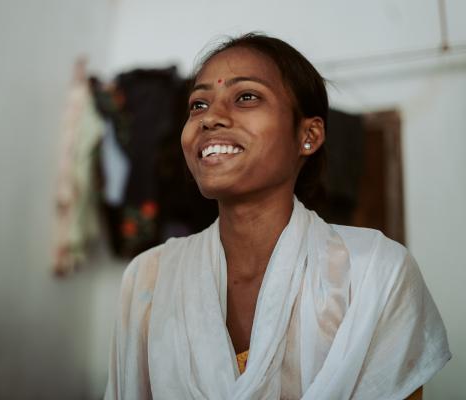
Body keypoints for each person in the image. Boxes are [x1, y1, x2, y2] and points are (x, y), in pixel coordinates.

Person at [104, 33, 450, 400]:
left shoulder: (374, 273)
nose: (210, 119)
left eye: (246, 97)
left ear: (309, 135)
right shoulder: (148, 280)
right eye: (198, 104)